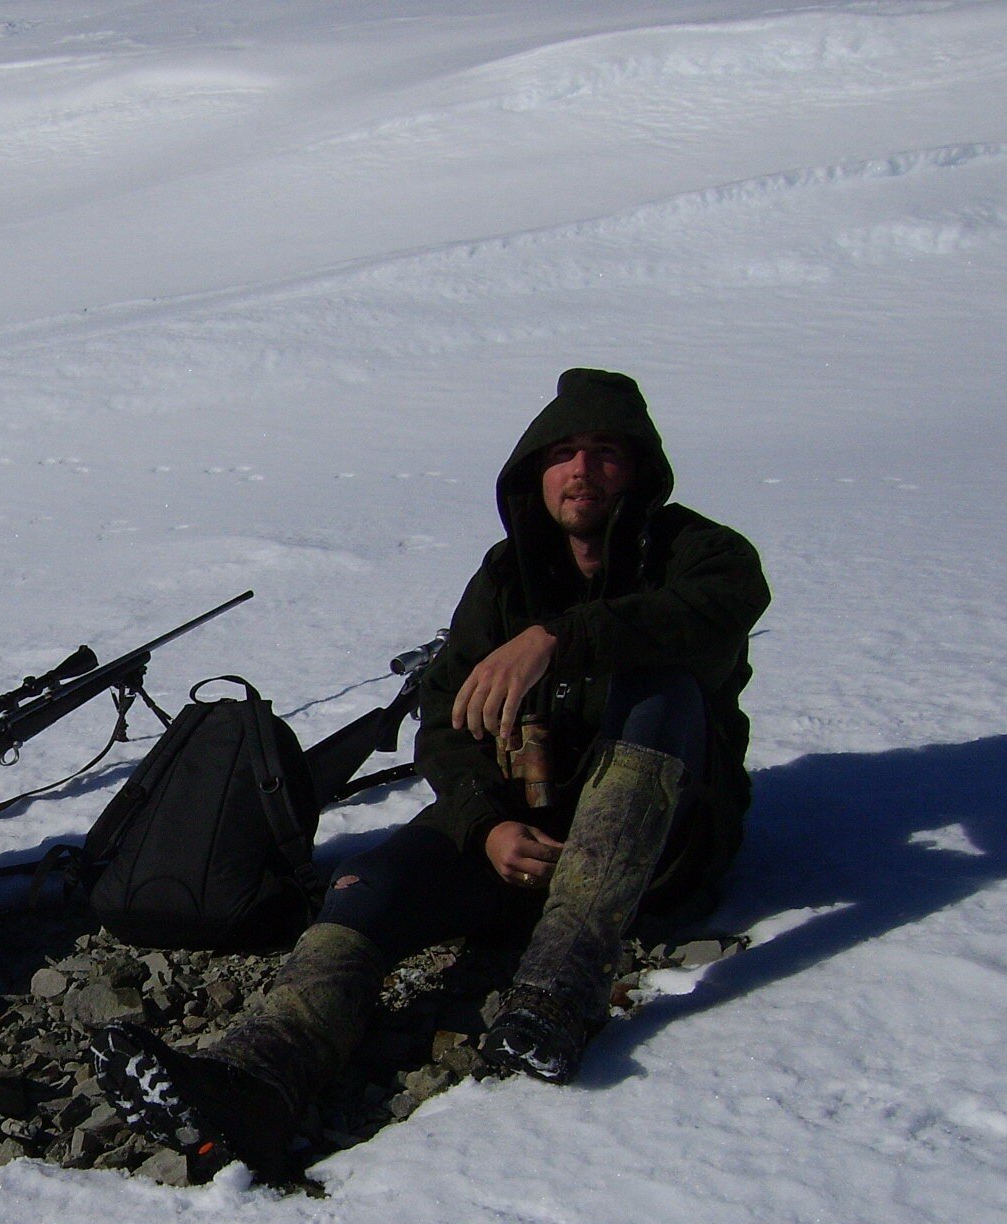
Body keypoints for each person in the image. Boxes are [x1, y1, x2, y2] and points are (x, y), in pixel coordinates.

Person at [92, 368, 770, 1175]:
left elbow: (718, 611)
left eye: (603, 453)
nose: (581, 471)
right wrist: (485, 825)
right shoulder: (506, 576)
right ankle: (259, 1074)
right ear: (535, 471)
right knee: (369, 880)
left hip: (655, 855)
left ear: (640, 469)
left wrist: (558, 637)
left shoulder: (703, 555)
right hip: (523, 846)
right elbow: (446, 716)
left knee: (664, 691)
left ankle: (557, 994)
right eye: (562, 453)